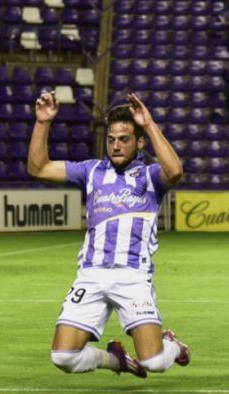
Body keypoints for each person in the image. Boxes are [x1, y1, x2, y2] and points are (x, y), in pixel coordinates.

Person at [28, 91, 190, 378]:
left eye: (124, 139)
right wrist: (43, 122)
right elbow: (38, 168)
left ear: (140, 143)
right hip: (91, 275)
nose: (116, 146)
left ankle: (172, 345)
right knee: (63, 356)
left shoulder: (151, 177)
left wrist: (149, 124)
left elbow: (175, 171)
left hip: (133, 277)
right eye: (111, 139)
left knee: (154, 362)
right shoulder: (91, 171)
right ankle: (118, 361)